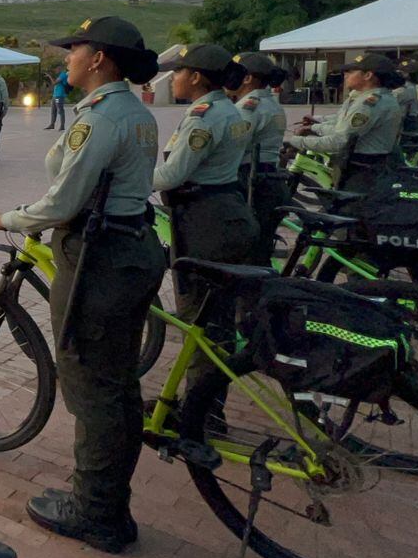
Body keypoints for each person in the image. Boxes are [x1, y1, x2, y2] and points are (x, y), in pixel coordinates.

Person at [0, 16, 163, 554]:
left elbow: (62, 203)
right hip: (132, 247)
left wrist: (4, 218)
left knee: (89, 383)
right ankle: (108, 501)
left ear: (99, 58)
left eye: (74, 50)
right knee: (119, 381)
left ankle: (96, 513)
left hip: (99, 258)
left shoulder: (100, 119)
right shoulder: (132, 111)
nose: (67, 59)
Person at [152, 45, 256, 380]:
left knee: (200, 321)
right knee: (218, 319)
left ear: (196, 77)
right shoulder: (229, 109)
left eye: (179, 72)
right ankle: (209, 407)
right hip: (226, 211)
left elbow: (172, 175)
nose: (174, 79)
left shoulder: (203, 118)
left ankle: (201, 416)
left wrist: (123, 179)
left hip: (203, 222)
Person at [283, 53, 404, 193]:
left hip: (363, 170)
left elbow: (339, 141)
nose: (345, 75)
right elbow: (343, 129)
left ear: (368, 75)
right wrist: (314, 128)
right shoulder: (374, 99)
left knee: (348, 210)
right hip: (370, 166)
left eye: (351, 71)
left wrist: (294, 141)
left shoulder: (368, 104)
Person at [228, 52, 290, 266]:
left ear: (247, 79)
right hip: (268, 178)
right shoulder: (270, 103)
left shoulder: (249, 107)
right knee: (260, 251)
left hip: (252, 181)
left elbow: (233, 146)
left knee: (249, 254)